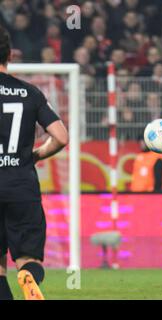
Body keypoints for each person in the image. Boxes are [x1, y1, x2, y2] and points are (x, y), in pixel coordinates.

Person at [0, 26, 69, 300]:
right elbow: (61, 137)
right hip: (21, 185)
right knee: (27, 257)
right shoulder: (30, 93)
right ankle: (27, 274)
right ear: (10, 56)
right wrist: (37, 154)